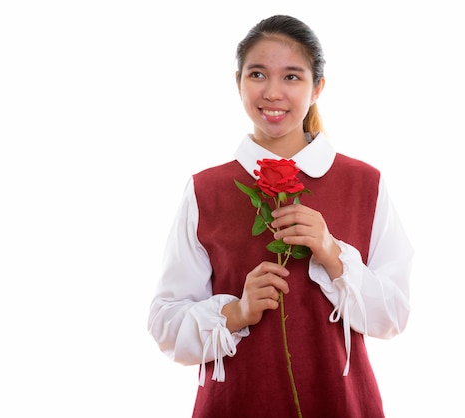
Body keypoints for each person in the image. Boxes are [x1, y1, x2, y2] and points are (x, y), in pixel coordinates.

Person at [147, 14, 413, 418]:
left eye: (292, 77)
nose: (272, 92)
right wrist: (237, 312)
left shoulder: (365, 183)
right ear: (238, 82)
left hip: (342, 404)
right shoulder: (207, 190)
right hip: (236, 404)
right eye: (257, 74)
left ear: (317, 87)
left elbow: (392, 318)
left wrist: (332, 253)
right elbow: (165, 324)